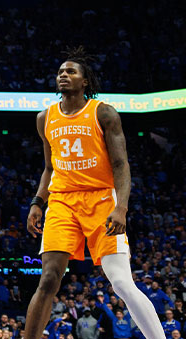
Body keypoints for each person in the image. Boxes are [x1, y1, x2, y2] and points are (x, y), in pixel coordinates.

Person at [21, 49, 167, 339]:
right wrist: (38, 201)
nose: (64, 75)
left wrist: (121, 207)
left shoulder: (102, 113)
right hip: (62, 201)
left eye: (71, 71)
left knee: (122, 283)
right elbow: (49, 167)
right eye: (61, 71)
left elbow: (120, 164)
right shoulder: (44, 117)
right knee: (48, 278)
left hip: (101, 198)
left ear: (85, 81)